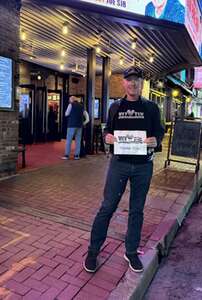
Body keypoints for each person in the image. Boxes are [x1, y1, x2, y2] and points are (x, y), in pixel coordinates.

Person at [83, 66, 164, 273]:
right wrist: (107, 137)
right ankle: (93, 251)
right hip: (119, 164)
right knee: (107, 207)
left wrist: (156, 141)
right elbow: (108, 130)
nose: (133, 83)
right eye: (129, 80)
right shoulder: (115, 106)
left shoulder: (151, 108)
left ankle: (130, 252)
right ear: (124, 83)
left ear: (142, 83)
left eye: (137, 80)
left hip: (143, 166)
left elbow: (159, 133)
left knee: (136, 211)